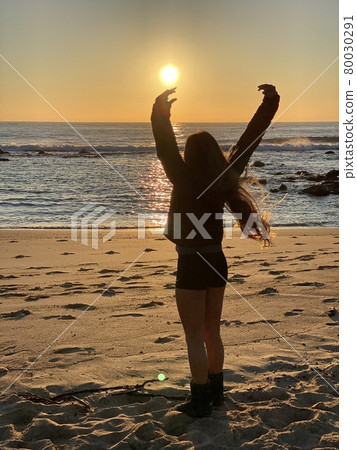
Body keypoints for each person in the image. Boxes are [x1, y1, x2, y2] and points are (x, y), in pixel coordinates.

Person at [151, 84, 280, 418]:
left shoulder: (179, 174)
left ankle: (199, 402)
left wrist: (160, 109)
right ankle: (216, 396)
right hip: (216, 262)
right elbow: (250, 139)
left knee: (194, 335)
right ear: (213, 154)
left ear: (190, 155)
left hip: (190, 263)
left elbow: (165, 145)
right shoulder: (226, 174)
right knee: (212, 332)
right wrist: (270, 102)